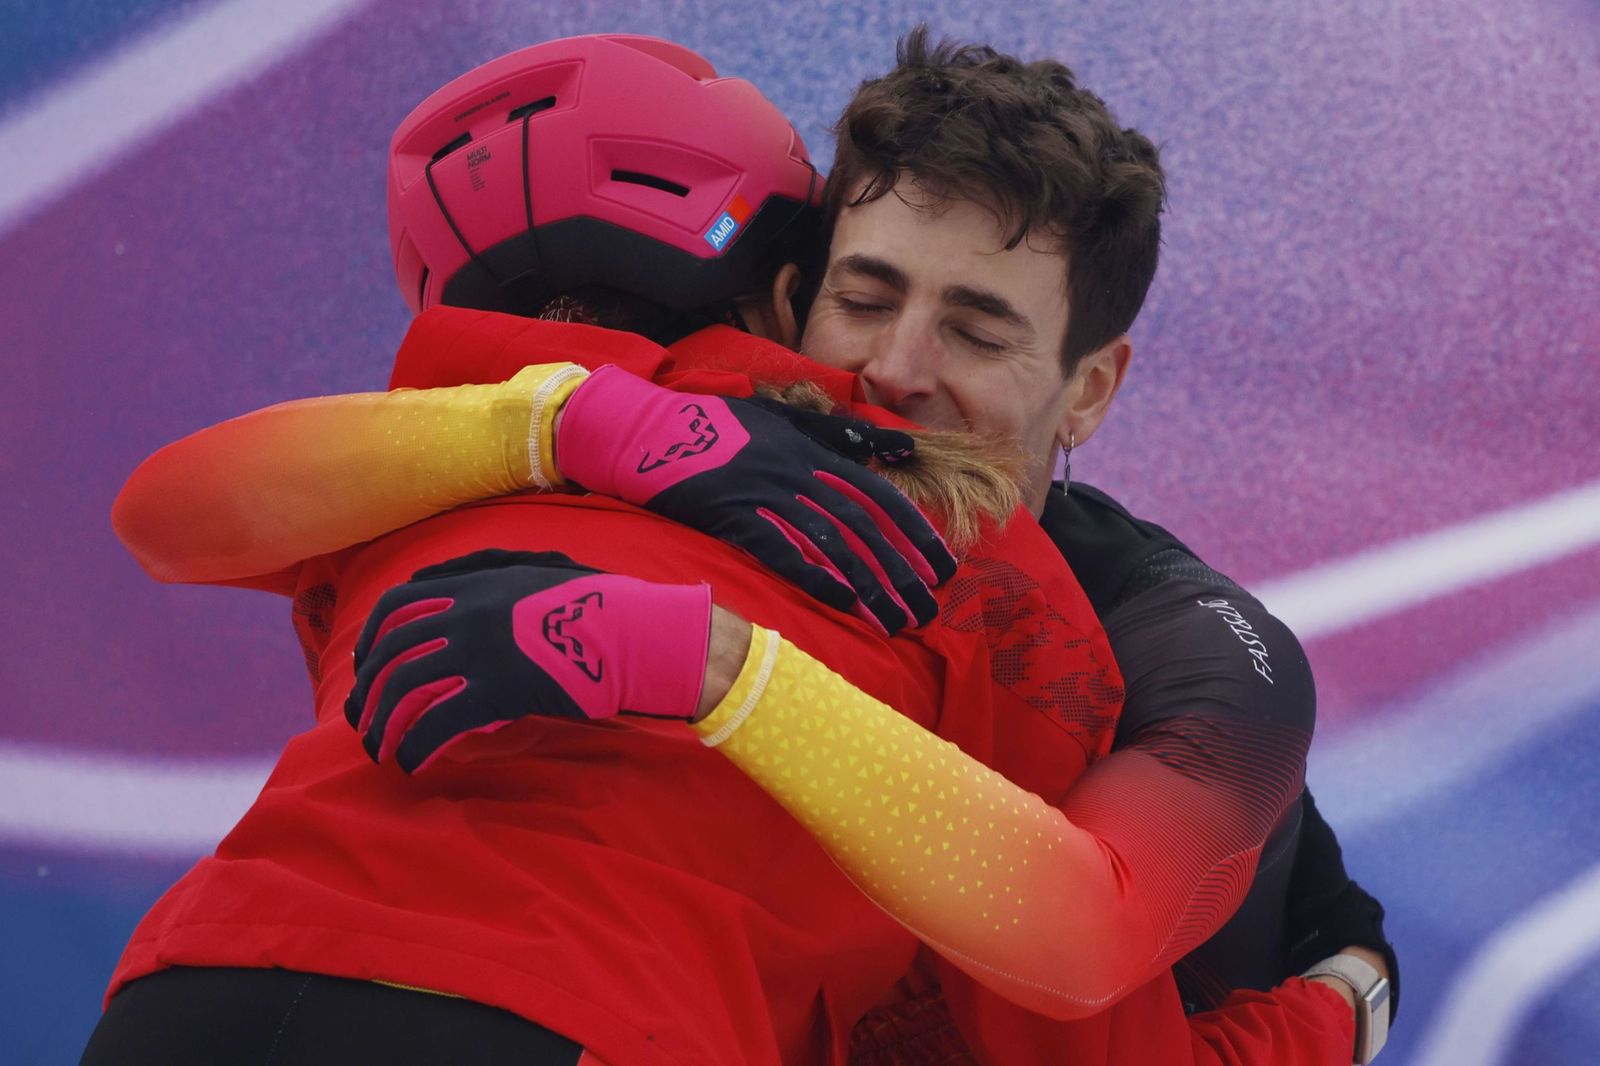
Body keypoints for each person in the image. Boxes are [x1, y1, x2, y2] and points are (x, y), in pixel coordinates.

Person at [100, 31, 1391, 1066]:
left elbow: (1084, 940)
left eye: (980, 331)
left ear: (1092, 388)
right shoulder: (642, 403)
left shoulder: (1186, 648)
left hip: (1169, 959)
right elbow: (162, 515)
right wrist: (575, 421)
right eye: (866, 295)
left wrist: (710, 667)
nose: (895, 369)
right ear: (789, 289)